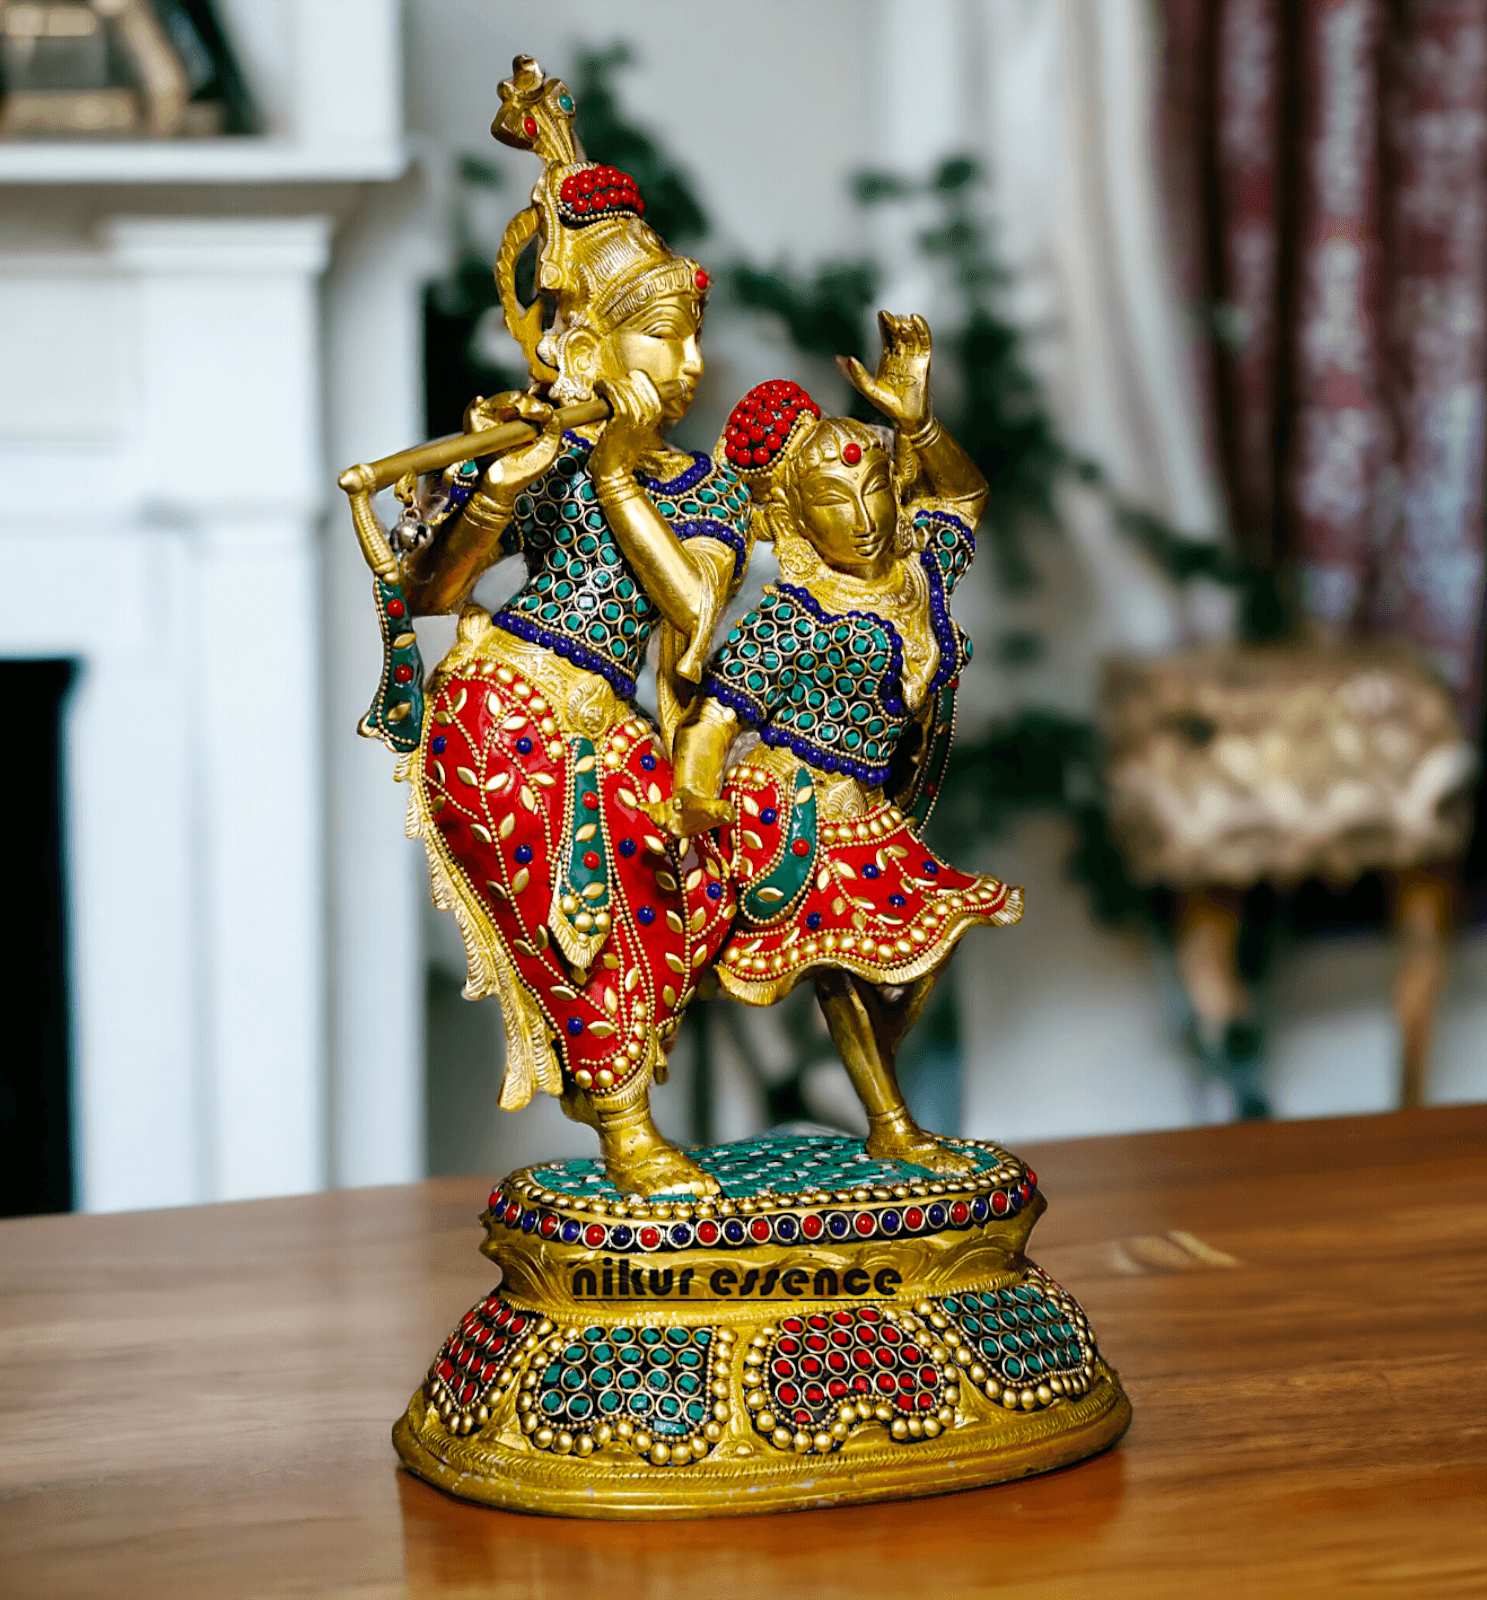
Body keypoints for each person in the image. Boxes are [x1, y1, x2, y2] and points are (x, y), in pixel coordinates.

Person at [363, 59, 747, 1195]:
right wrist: (499, 486)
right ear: (590, 343)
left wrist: (623, 472)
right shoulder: (544, 451)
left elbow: (691, 612)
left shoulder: (701, 489)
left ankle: (626, 1107)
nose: (682, 365)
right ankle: (624, 1126)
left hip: (616, 725)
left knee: (662, 918)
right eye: (656, 339)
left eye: (689, 337)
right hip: (505, 706)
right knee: (581, 920)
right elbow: (433, 595)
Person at [650, 314, 1022, 1174]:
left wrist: (919, 424)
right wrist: (696, 796)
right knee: (844, 971)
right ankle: (890, 1119)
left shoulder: (918, 564)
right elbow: (714, 719)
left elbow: (964, 496)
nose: (860, 516)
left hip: (875, 808)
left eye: (873, 490)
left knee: (923, 949)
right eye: (831, 501)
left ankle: (883, 1097)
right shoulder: (791, 618)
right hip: (795, 810)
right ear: (792, 516)